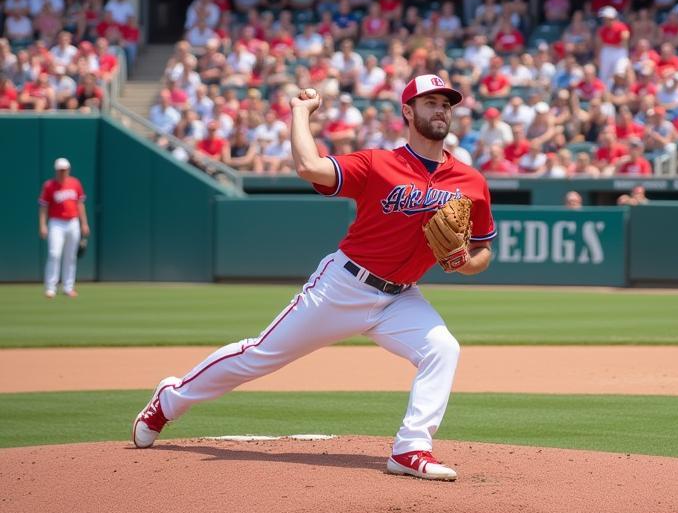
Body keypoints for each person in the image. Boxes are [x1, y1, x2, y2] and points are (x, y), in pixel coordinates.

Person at [132, 75, 495, 482]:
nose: (441, 109)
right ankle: (170, 400)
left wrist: (465, 262)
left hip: (401, 298)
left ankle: (410, 449)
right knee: (259, 355)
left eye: (446, 103)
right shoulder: (378, 163)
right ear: (408, 112)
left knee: (442, 348)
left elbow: (483, 251)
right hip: (343, 287)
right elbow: (309, 166)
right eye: (430, 102)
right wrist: (300, 113)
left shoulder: (470, 181)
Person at [38, 156, 90, 299]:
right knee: (54, 254)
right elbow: (44, 207)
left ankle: (68, 287)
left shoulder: (75, 183)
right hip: (56, 223)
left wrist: (84, 223)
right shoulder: (49, 185)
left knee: (71, 256)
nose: (63, 172)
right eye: (60, 170)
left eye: (65, 170)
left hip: (73, 222)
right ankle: (50, 288)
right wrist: (42, 225)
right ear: (56, 170)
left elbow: (80, 204)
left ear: (69, 170)